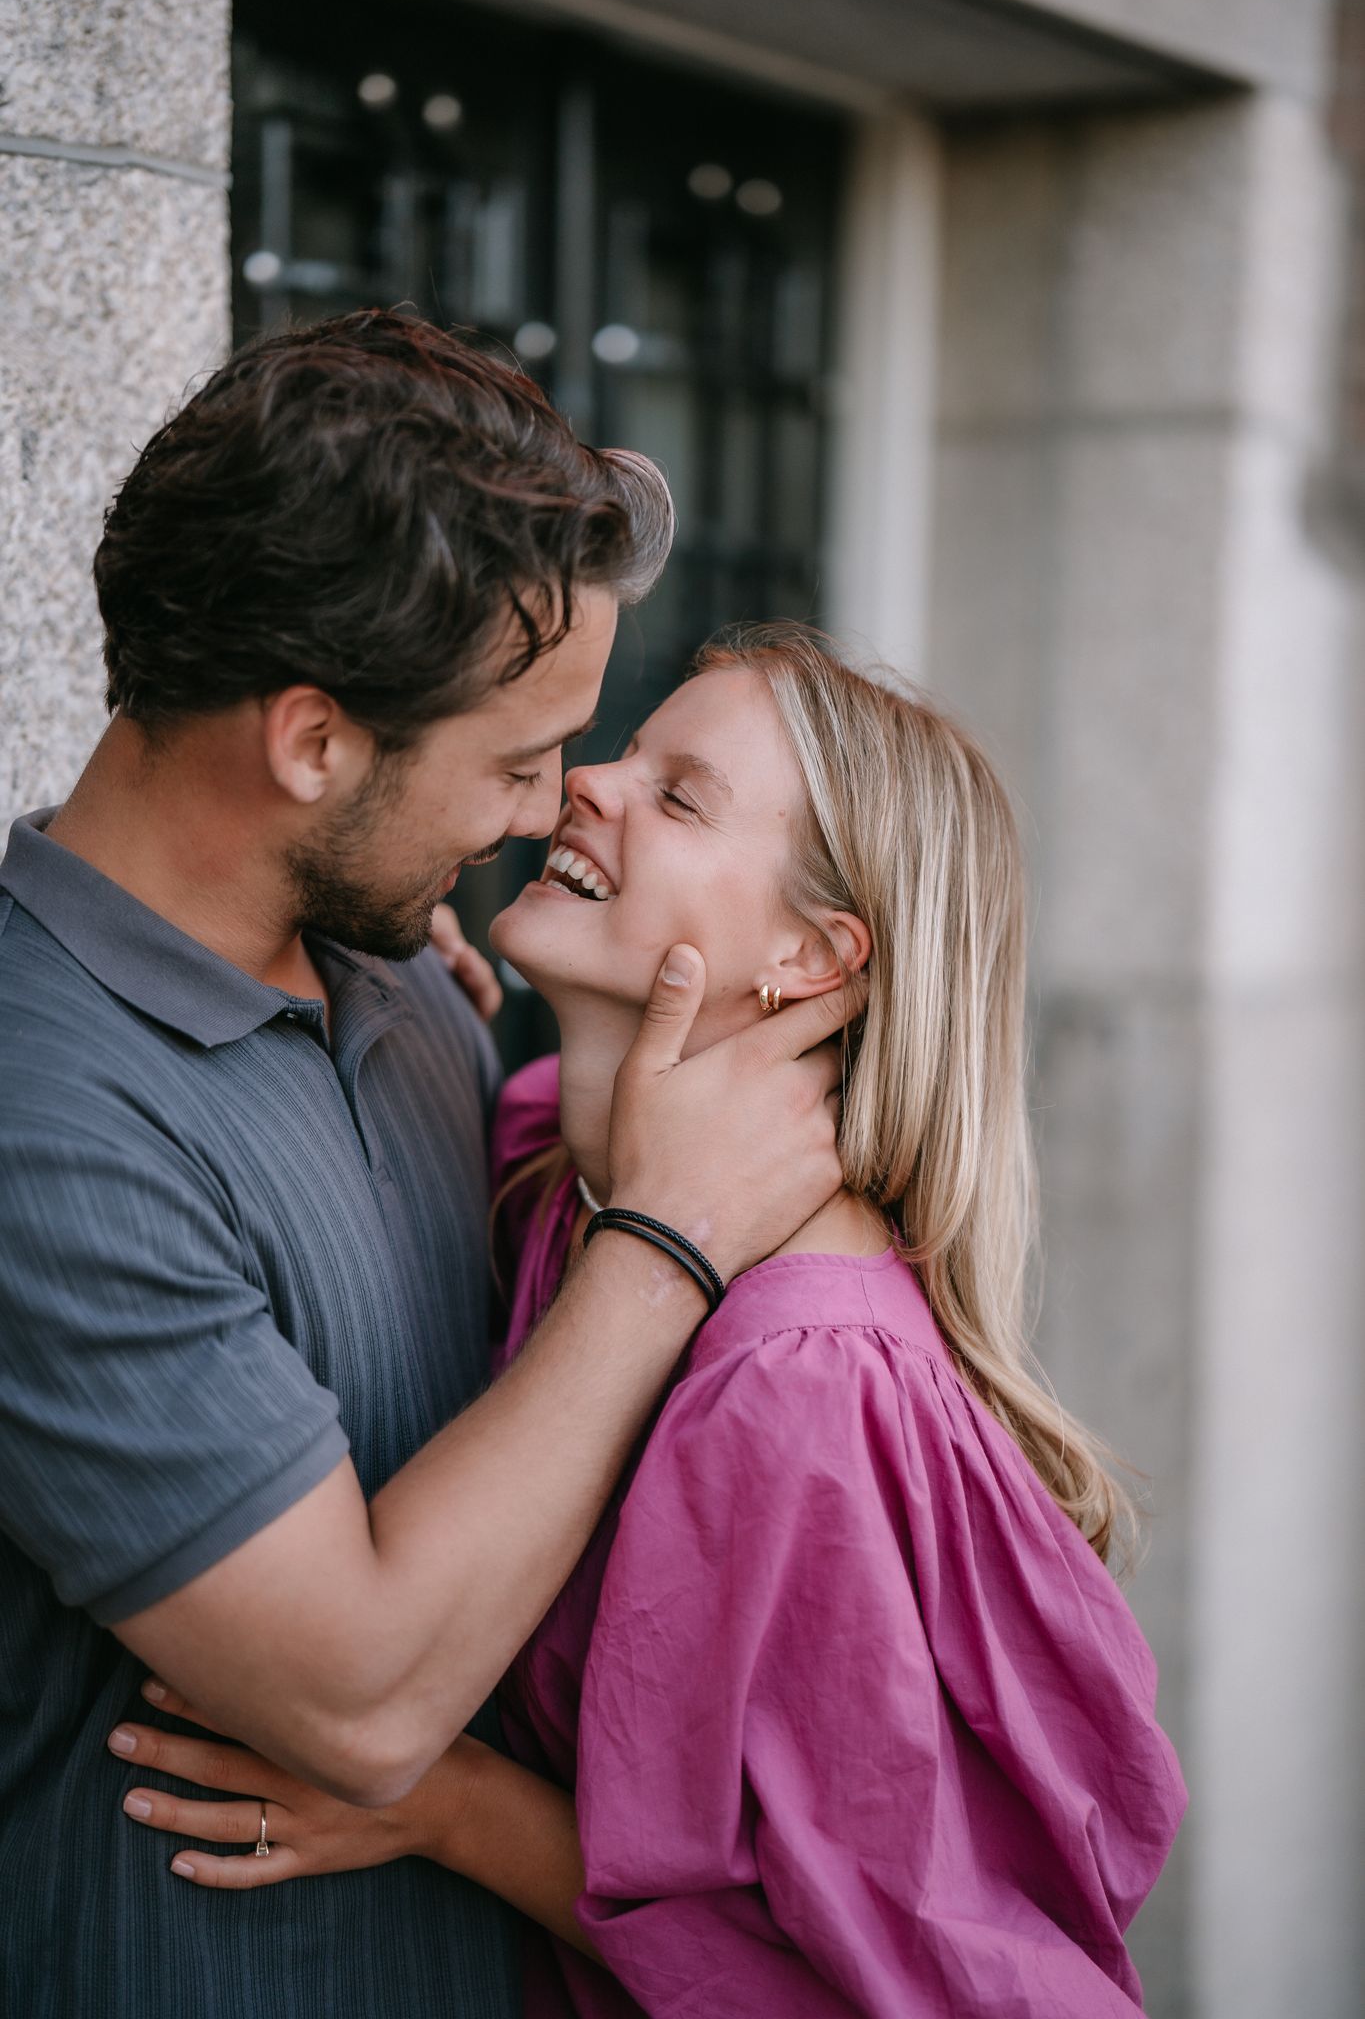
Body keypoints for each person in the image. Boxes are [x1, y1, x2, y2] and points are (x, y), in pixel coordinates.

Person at [112, 629, 1187, 2017]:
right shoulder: (553, 1182)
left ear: (812, 958)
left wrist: (448, 1804)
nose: (588, 782)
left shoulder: (802, 1384)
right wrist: (393, 988)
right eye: (626, 752)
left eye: (679, 797)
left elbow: (878, 1981)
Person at [0, 319, 853, 2019]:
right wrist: (666, 1242)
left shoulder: (400, 985)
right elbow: (368, 1703)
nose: (545, 812)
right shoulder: (48, 1123)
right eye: (517, 761)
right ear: (313, 743)